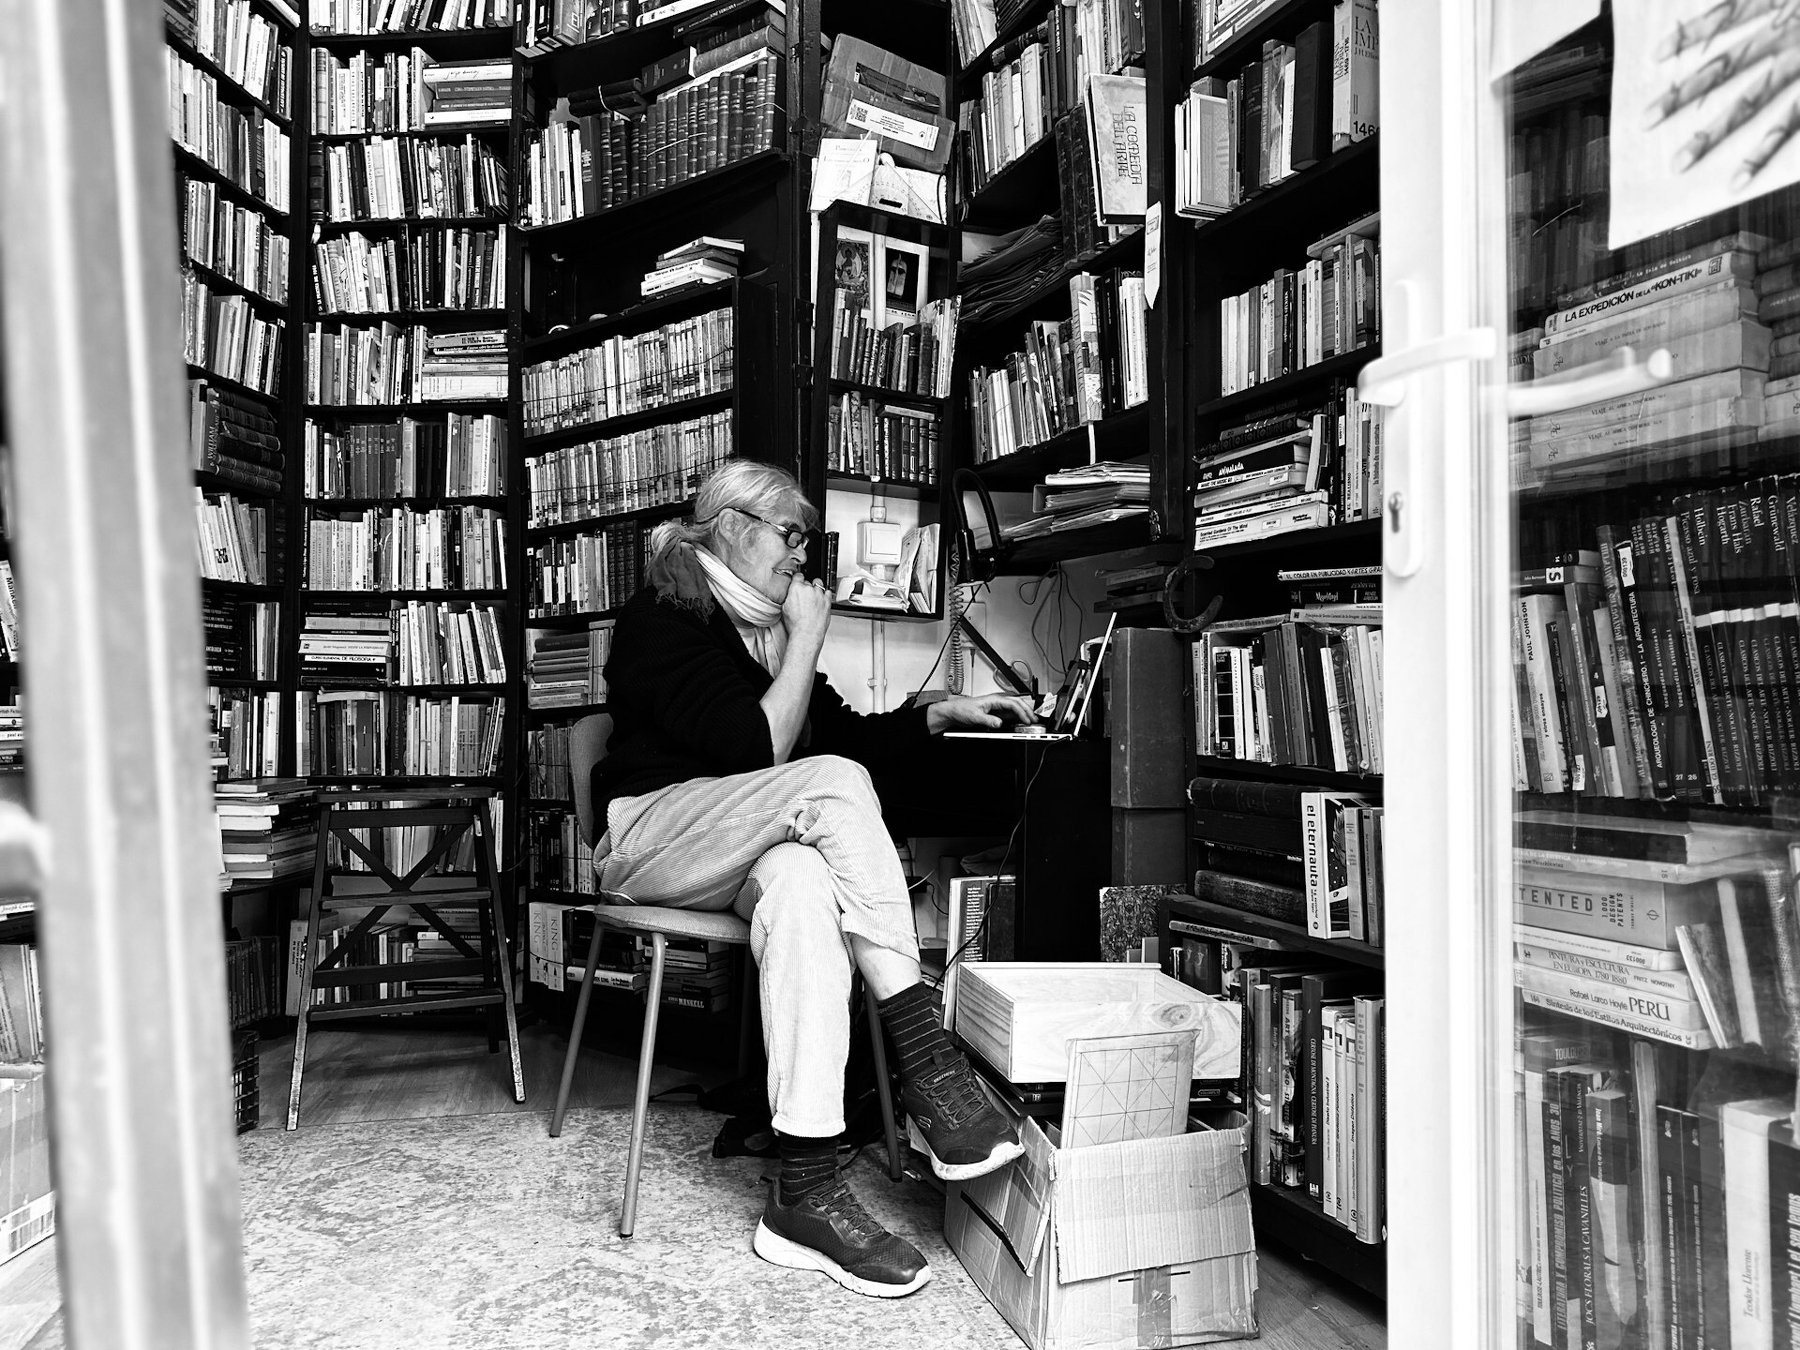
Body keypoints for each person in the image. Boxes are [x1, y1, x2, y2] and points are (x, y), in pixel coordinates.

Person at [593, 460, 1037, 1299]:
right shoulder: (663, 616)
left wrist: (934, 714)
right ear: (731, 526)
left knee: (800, 881)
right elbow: (758, 751)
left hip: (736, 846)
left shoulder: (762, 630)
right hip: (648, 837)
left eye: (805, 538)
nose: (803, 556)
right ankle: (928, 1064)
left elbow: (842, 744)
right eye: (790, 535)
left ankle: (804, 1188)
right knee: (825, 785)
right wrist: (804, 639)